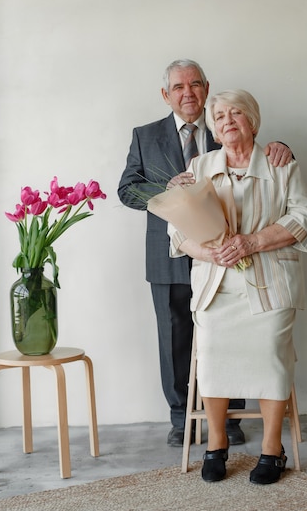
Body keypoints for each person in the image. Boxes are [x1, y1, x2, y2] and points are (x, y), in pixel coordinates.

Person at [118, 60, 293, 447]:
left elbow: (256, 152)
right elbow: (127, 190)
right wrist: (170, 191)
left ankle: (230, 418)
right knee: (174, 337)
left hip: (229, 258)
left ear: (206, 88)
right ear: (167, 95)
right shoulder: (145, 136)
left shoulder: (222, 124)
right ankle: (182, 419)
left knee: (232, 336)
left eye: (195, 85)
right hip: (169, 256)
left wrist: (283, 146)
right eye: (179, 87)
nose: (188, 93)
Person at [168, 88, 307, 484]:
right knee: (212, 354)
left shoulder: (280, 162)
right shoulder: (199, 167)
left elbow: (303, 217)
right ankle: (216, 445)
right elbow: (177, 230)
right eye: (220, 117)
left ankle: (272, 449)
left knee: (271, 353)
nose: (228, 120)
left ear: (253, 120)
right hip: (217, 283)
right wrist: (210, 252)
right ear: (213, 129)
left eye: (237, 113)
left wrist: (252, 242)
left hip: (271, 279)